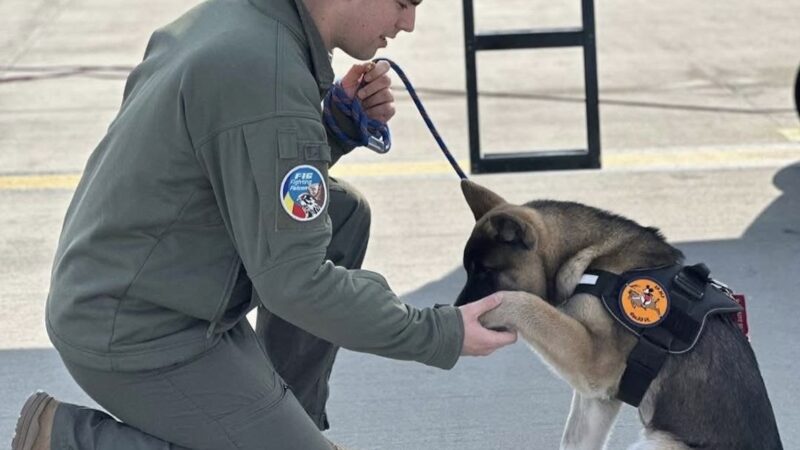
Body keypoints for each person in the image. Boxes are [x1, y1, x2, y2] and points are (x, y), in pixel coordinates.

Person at [11, 0, 518, 449]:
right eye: (404, 2)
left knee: (342, 215)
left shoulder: (249, 20)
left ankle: (277, 422)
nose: (407, 24)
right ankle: (68, 439)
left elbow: (237, 164)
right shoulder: (269, 73)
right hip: (139, 331)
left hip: (144, 285)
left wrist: (331, 132)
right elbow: (296, 285)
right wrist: (439, 333)